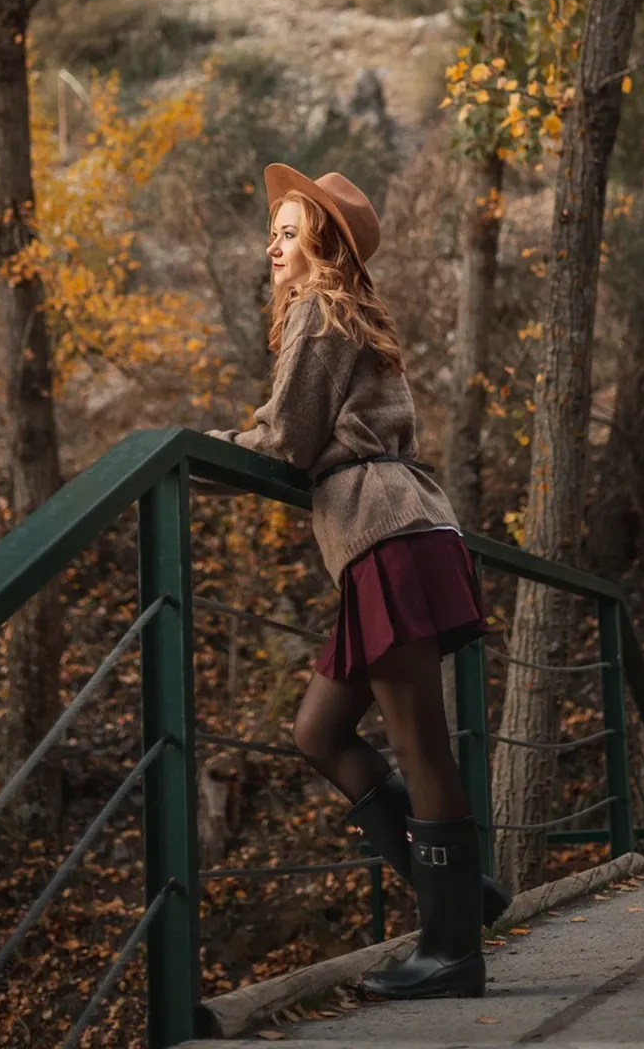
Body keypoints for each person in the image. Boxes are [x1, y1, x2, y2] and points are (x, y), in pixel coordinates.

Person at [201, 163, 510, 1001]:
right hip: (389, 538)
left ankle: (451, 951)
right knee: (318, 734)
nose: (274, 242)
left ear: (325, 246)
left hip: (390, 537)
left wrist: (198, 452)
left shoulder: (318, 309)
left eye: (291, 230)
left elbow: (289, 440)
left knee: (421, 743)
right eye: (274, 230)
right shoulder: (336, 315)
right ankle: (461, 894)